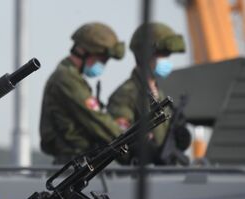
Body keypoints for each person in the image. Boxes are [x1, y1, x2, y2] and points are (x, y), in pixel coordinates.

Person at [39, 22, 126, 164]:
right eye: (102, 59)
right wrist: (129, 141)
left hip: (80, 163)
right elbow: (96, 119)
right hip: (73, 165)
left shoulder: (72, 77)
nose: (103, 64)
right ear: (86, 52)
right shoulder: (66, 78)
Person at [107, 22, 186, 164]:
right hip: (138, 175)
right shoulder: (126, 94)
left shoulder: (159, 93)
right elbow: (118, 136)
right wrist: (139, 147)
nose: (166, 60)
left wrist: (181, 137)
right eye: (162, 54)